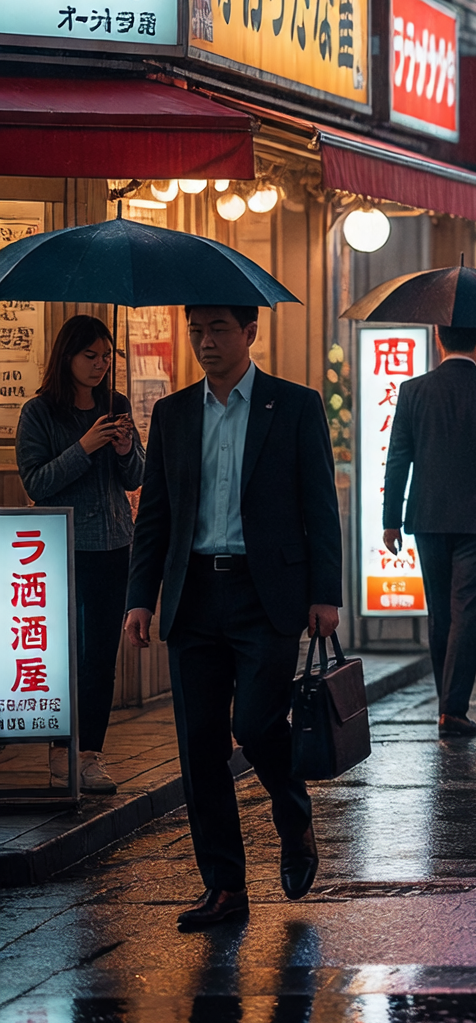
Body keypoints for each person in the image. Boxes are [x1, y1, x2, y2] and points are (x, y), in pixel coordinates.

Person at [123, 306, 343, 929]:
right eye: (196, 330)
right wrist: (141, 596)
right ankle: (225, 887)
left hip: (264, 595)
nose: (204, 341)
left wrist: (325, 594)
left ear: (250, 333)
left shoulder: (293, 406)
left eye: (218, 329)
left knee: (256, 723)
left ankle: (292, 812)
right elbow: (156, 516)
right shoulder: (172, 414)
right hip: (193, 595)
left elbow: (319, 506)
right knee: (198, 746)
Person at [382, 324, 476, 739]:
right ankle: (453, 708)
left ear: (437, 337)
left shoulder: (413, 390)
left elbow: (398, 459)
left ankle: (446, 703)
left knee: (440, 611)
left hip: (428, 516)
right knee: (468, 611)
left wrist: (390, 519)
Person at [17, 315, 145, 795]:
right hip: (61, 549)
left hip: (114, 544)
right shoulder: (40, 413)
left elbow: (134, 478)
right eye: (90, 355)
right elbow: (36, 482)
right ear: (66, 356)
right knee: (61, 656)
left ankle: (90, 754)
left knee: (100, 658)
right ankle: (58, 753)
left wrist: (127, 447)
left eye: (106, 356)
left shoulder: (116, 404)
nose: (100, 364)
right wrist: (85, 446)